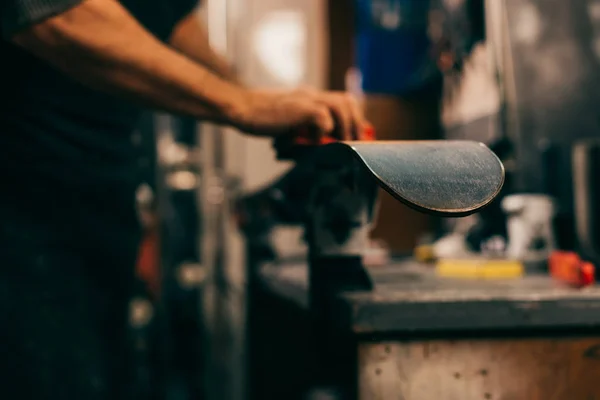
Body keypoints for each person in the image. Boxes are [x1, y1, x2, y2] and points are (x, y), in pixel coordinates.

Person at [0, 0, 367, 398]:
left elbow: (161, 16)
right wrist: (240, 104)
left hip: (91, 193)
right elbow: (51, 14)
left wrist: (247, 91)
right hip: (18, 209)